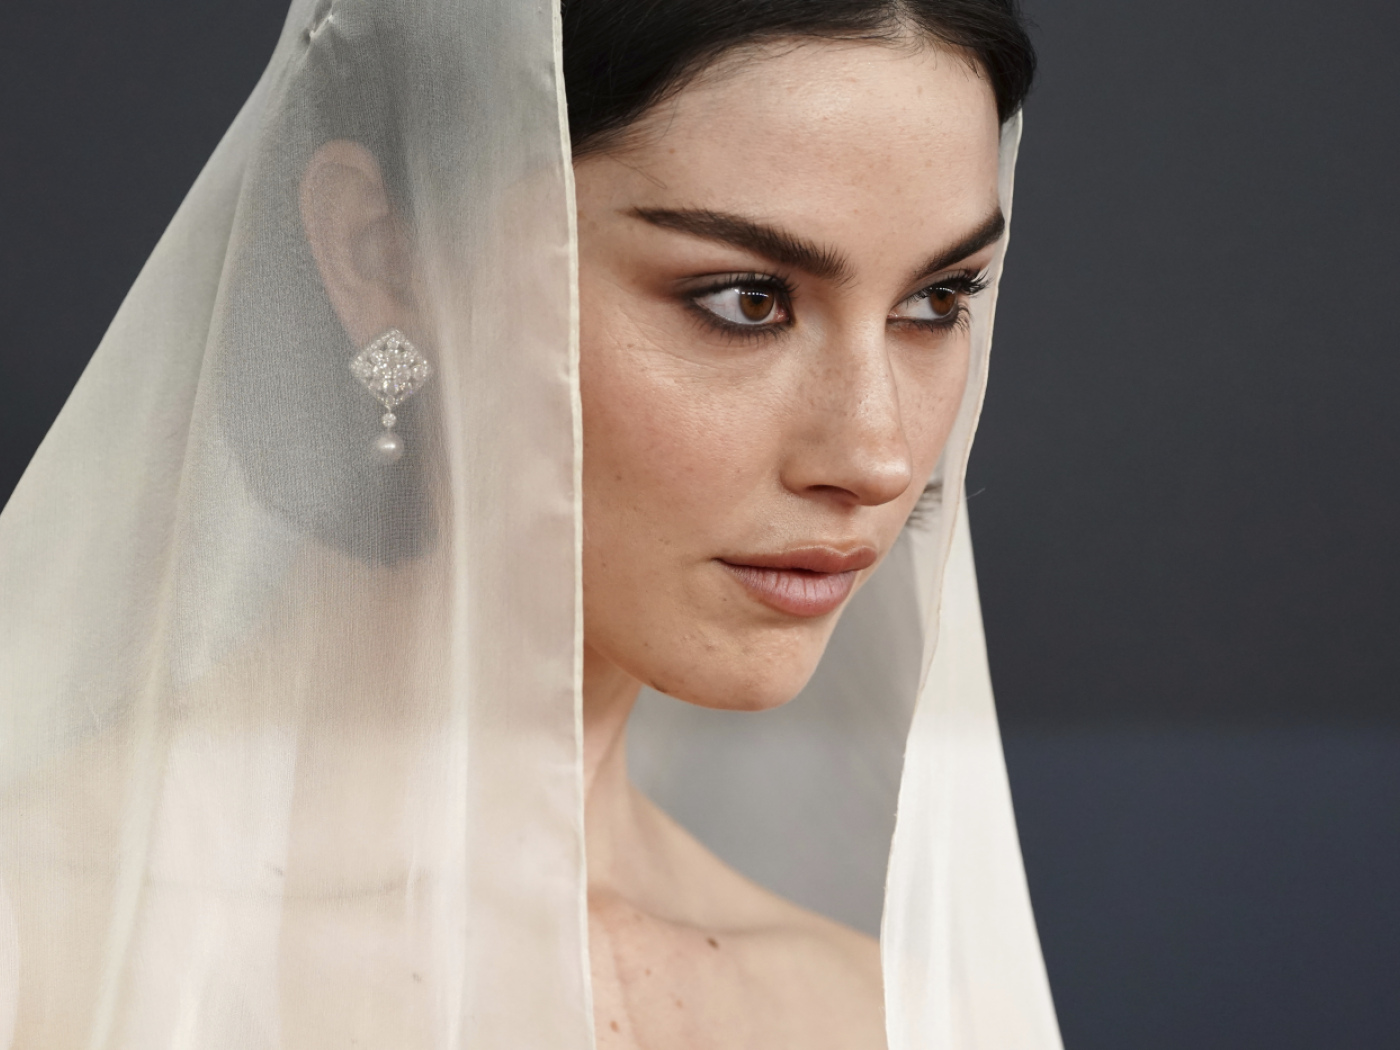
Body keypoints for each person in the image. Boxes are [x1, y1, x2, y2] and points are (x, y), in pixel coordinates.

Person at [0, 0, 1059, 1047]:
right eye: (744, 299)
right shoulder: (39, 944)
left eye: (937, 302)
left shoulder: (903, 1016)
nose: (877, 456)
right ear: (379, 255)